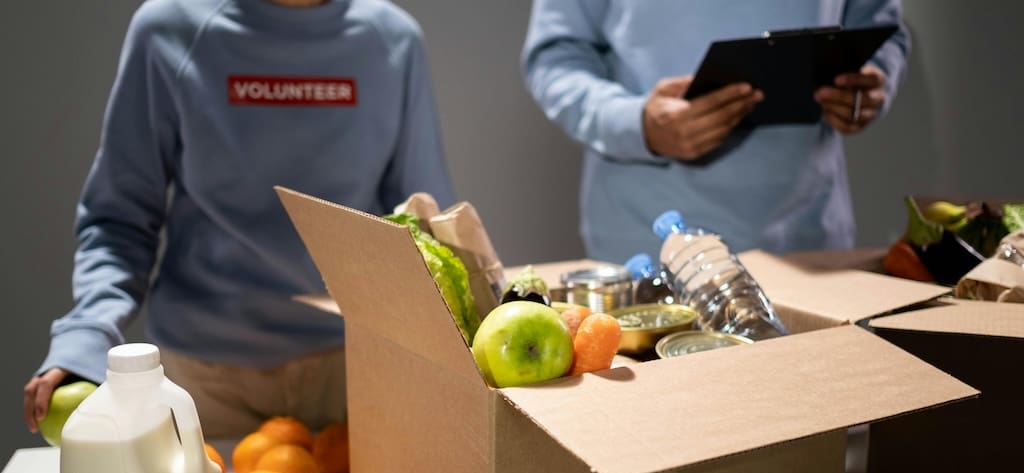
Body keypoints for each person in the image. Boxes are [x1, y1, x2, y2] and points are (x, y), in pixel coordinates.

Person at [23, 0, 455, 438]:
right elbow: (120, 217)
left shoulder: (392, 38)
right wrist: (87, 335)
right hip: (203, 383)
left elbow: (423, 226)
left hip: (350, 372)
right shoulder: (169, 28)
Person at [521, 1, 910, 263]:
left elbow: (882, 28)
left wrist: (875, 82)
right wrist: (636, 122)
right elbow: (555, 59)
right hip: (650, 242)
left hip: (807, 235)